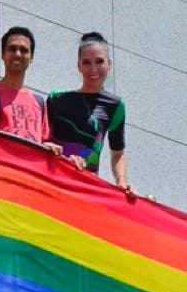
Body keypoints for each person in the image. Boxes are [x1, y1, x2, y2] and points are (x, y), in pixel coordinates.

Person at [47, 31, 133, 193]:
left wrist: (121, 180)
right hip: (53, 180)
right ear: (78, 66)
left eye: (99, 61)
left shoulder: (115, 105)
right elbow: (41, 139)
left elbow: (117, 154)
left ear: (109, 64)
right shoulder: (56, 99)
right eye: (86, 62)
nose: (93, 69)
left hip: (86, 186)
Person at [0, 27, 61, 153]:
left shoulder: (39, 102)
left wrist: (51, 149)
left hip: (31, 170)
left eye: (24, 50)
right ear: (2, 54)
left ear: (31, 57)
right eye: (12, 49)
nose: (17, 54)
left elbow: (44, 141)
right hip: (1, 168)